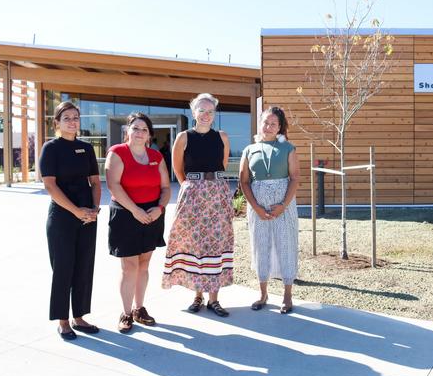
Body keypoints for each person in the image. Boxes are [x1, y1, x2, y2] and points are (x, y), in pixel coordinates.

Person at [162, 93, 234, 317]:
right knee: (194, 244)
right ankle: (197, 296)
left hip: (217, 194)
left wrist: (210, 186)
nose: (205, 115)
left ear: (214, 114)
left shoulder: (221, 136)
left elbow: (221, 165)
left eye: (210, 111)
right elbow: (177, 168)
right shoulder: (184, 137)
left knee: (216, 243)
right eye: (201, 110)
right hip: (193, 193)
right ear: (193, 112)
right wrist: (191, 187)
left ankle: (214, 299)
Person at [39, 101, 101, 340]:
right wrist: (76, 211)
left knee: (84, 267)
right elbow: (50, 185)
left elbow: (95, 182)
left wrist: (94, 209)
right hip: (63, 217)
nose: (72, 121)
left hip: (87, 215)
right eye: (67, 118)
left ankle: (80, 316)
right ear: (57, 122)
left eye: (76, 117)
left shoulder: (86, 149)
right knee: (63, 268)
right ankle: (63, 321)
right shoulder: (51, 148)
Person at [105, 113, 171, 333]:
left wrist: (159, 209)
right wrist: (135, 211)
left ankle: (139, 309)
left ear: (149, 134)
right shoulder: (117, 153)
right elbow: (113, 185)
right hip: (126, 214)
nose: (139, 132)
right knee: (129, 267)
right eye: (135, 128)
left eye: (144, 129)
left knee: (144, 265)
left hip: (152, 214)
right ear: (127, 131)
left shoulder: (156, 156)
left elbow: (166, 188)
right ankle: (125, 313)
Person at [239, 106, 300, 314]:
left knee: (286, 245)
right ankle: (263, 293)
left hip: (284, 206)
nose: (268, 126)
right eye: (265, 122)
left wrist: (283, 205)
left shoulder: (288, 149)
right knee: (260, 246)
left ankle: (287, 295)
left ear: (280, 127)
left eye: (274, 123)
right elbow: (244, 181)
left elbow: (295, 178)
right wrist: (255, 207)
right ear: (260, 123)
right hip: (258, 208)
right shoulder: (249, 150)